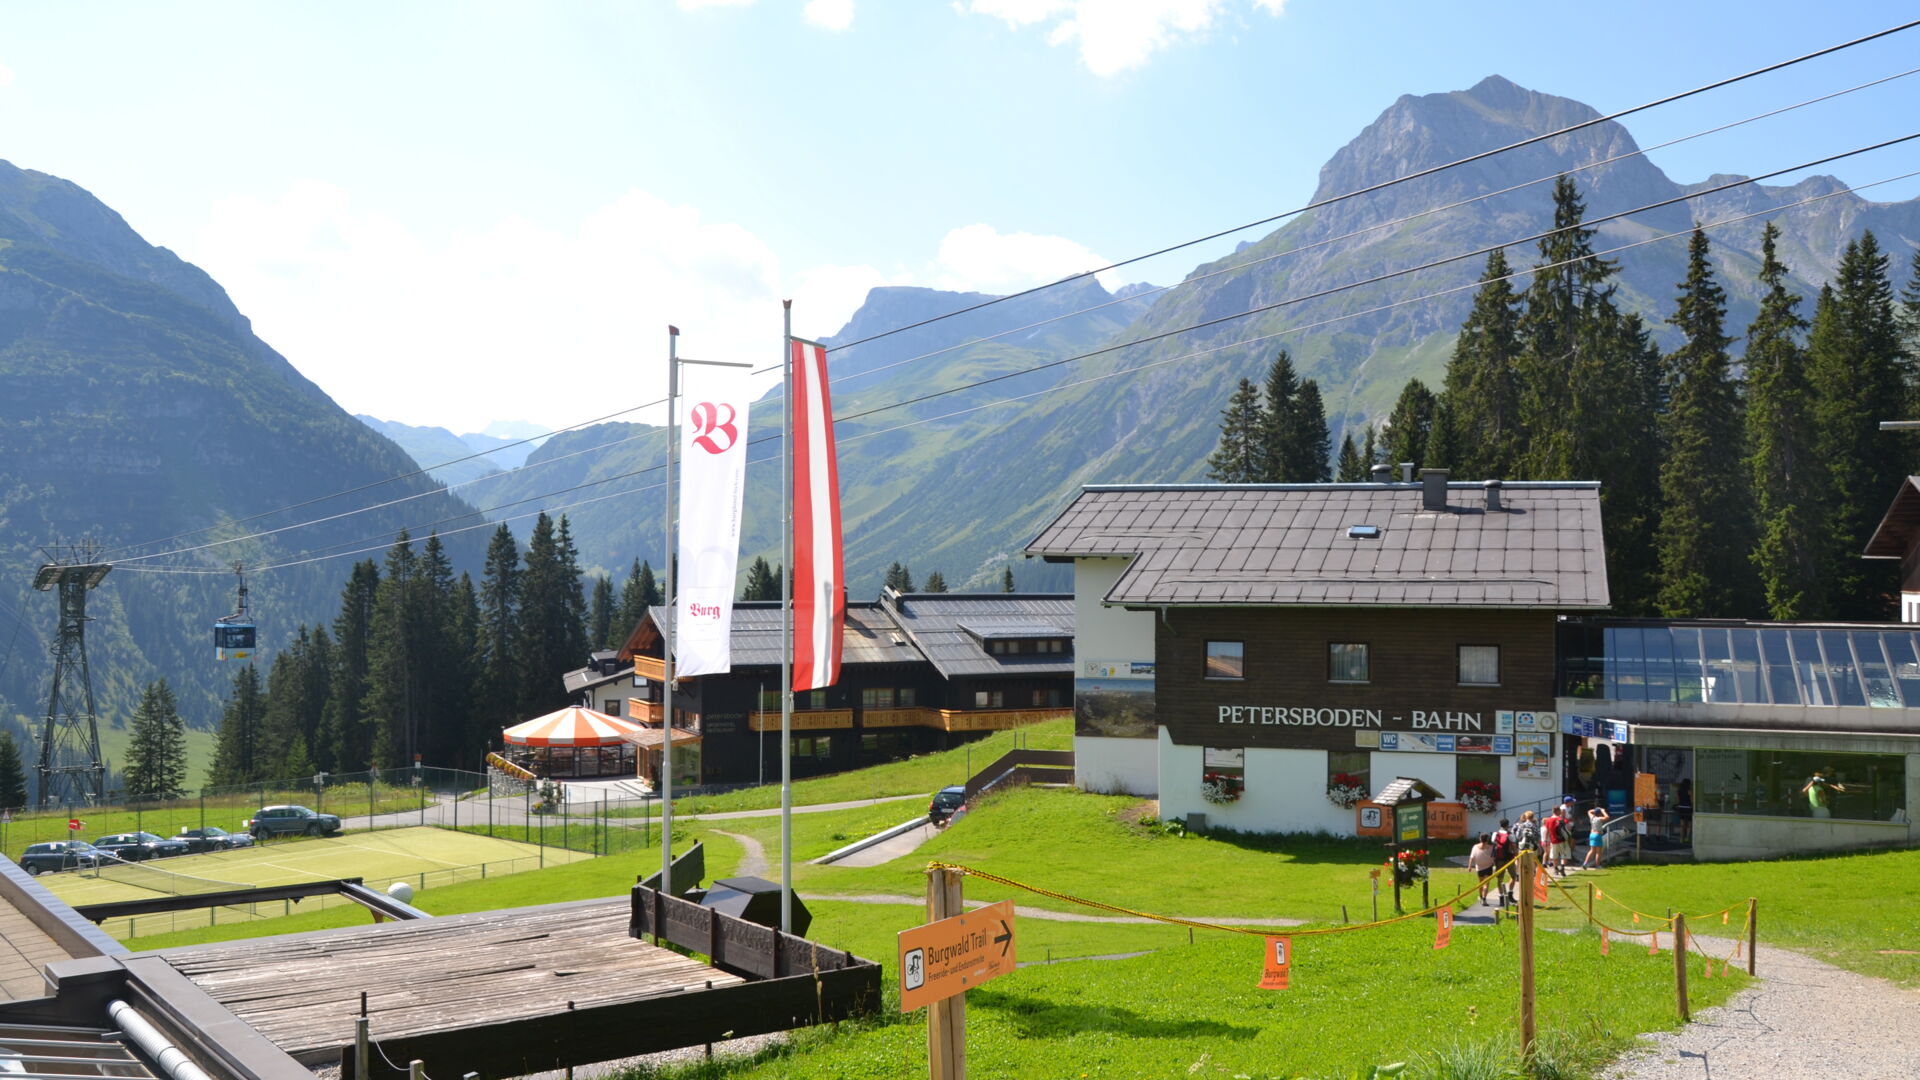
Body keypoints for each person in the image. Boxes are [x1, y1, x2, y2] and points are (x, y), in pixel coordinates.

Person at [1491, 818, 1517, 907]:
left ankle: (1501, 898)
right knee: (1513, 877)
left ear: (1500, 825)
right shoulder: (1511, 835)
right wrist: (1517, 856)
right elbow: (1514, 847)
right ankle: (1510, 895)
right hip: (1509, 858)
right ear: (1507, 825)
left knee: (1500, 878)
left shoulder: (1495, 834)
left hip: (1499, 859)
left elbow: (1494, 845)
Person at [1468, 832, 1497, 903]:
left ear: (1480, 839)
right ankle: (1484, 898)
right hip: (1488, 867)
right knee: (1486, 884)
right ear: (1487, 840)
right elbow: (1493, 858)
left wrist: (1470, 866)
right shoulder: (1491, 847)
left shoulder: (1475, 847)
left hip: (1479, 868)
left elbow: (1471, 857)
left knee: (1480, 883)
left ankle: (1481, 896)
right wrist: (1495, 865)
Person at [1582, 803, 1609, 868]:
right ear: (1599, 814)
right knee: (1598, 852)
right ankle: (1597, 865)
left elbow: (1589, 811)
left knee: (1592, 850)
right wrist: (1603, 811)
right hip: (1597, 835)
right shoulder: (1599, 818)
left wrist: (1596, 809)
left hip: (1591, 835)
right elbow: (1607, 817)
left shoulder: (1592, 817)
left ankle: (1585, 863)